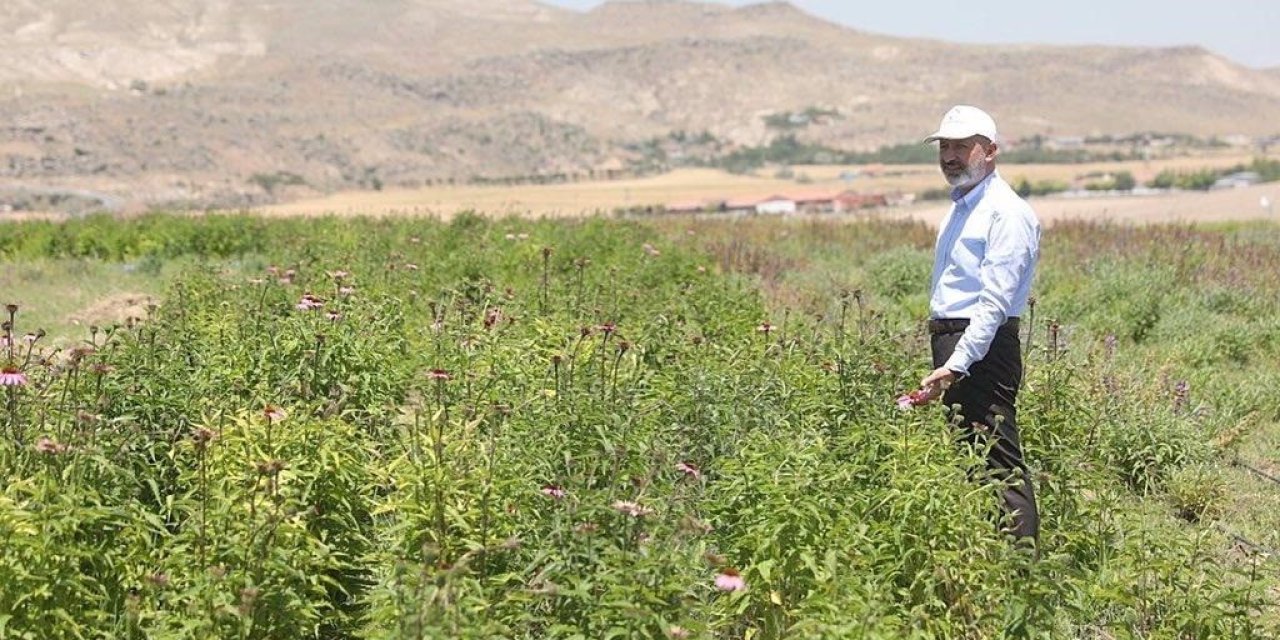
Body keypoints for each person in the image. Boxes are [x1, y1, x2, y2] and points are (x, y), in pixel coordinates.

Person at [917, 105, 1041, 545]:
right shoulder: (964, 208)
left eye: (961, 147)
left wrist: (958, 363)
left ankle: (1023, 575)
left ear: (990, 152)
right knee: (971, 459)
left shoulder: (1005, 212)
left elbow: (993, 302)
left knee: (999, 462)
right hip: (960, 342)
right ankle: (992, 558)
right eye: (945, 147)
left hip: (981, 347)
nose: (950, 156)